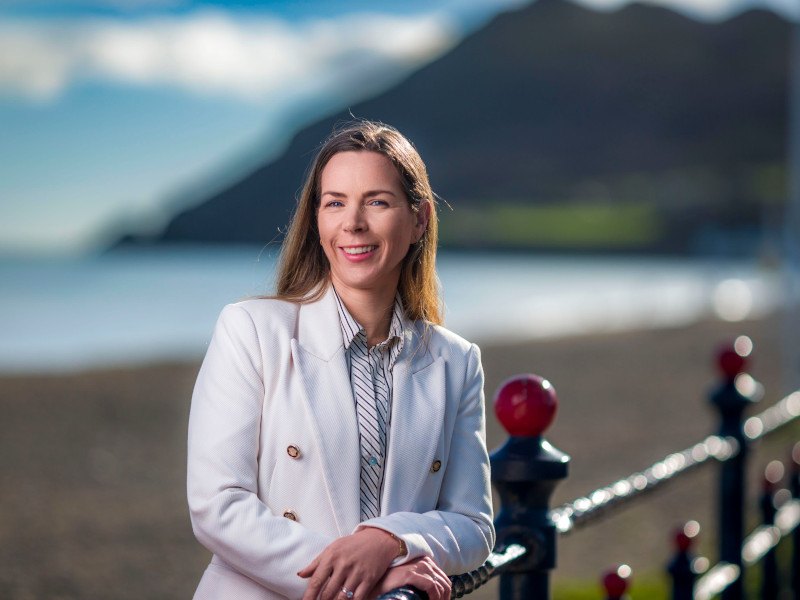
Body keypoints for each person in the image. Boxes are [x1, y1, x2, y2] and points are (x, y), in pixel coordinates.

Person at [187, 120, 495, 600]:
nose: (353, 223)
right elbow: (217, 506)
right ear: (316, 220)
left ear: (419, 220)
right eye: (334, 202)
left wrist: (390, 541)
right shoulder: (251, 330)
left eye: (377, 201)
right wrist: (364, 579)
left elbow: (474, 525)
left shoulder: (455, 361)